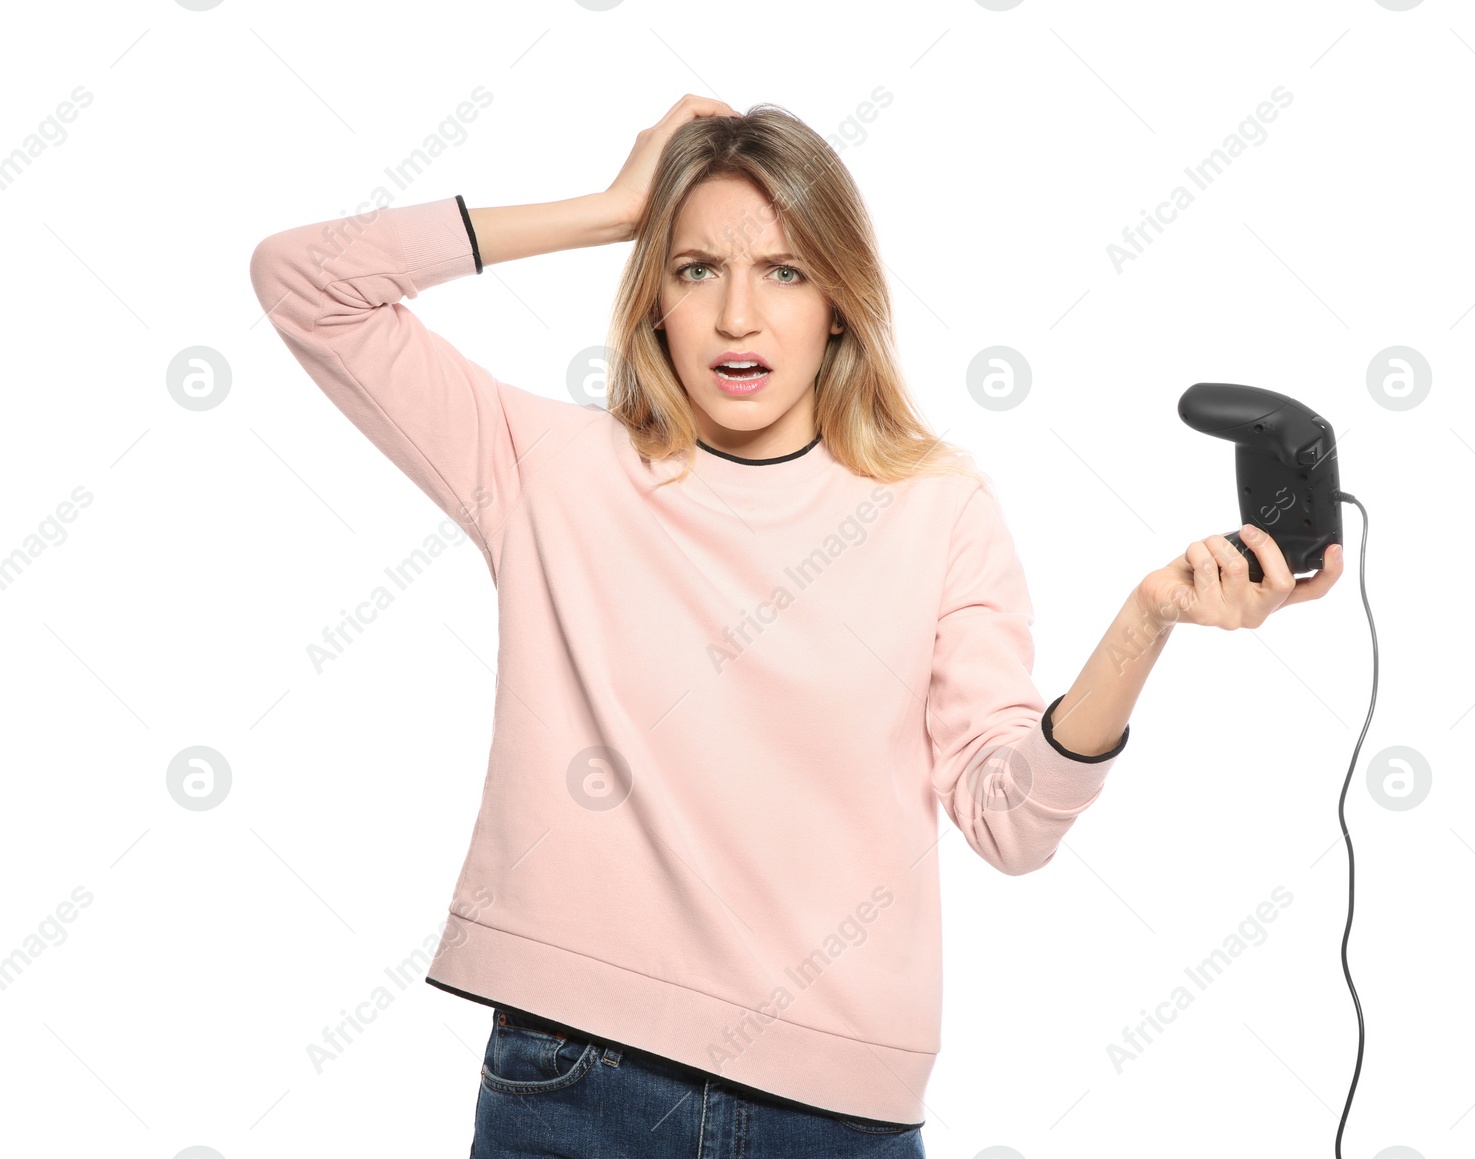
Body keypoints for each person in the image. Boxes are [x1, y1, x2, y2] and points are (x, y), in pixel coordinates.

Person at [249, 95, 1343, 1158]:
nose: (737, 316)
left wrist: (1146, 620)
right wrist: (611, 205)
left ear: (838, 302)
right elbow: (305, 281)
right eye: (695, 269)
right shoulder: (546, 468)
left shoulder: (937, 507)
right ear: (652, 300)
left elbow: (1009, 822)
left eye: (784, 270)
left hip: (839, 1116)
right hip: (576, 1082)